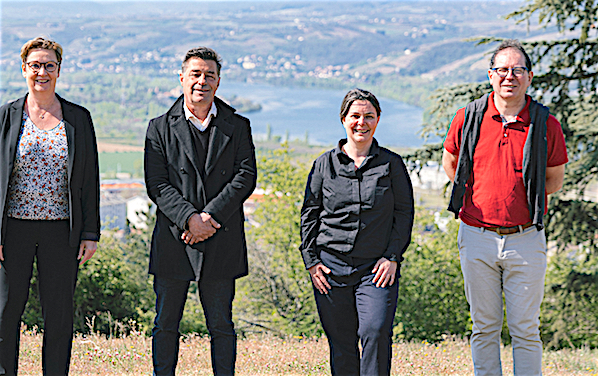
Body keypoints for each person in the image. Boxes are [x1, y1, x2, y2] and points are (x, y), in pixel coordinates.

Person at [442, 39, 568, 376]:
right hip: (476, 235)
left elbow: (554, 181)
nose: (509, 76)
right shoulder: (468, 118)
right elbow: (451, 164)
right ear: (490, 76)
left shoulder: (546, 124)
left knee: (525, 328)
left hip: (526, 238)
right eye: (502, 70)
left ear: (529, 77)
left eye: (517, 70)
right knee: (484, 326)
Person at [144, 46, 256, 376]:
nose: (201, 81)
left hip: (221, 236)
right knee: (165, 323)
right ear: (182, 78)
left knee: (221, 324)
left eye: (209, 75)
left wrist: (210, 218)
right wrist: (190, 219)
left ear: (218, 82)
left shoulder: (238, 125)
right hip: (174, 238)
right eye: (195, 74)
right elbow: (157, 183)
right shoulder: (159, 127)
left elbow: (245, 175)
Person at [0, 37, 100, 374]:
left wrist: (90, 232)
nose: (42, 72)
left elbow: (89, 179)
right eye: (35, 65)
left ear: (59, 70)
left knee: (58, 313)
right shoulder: (5, 117)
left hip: (62, 230)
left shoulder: (78, 119)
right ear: (23, 68)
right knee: (5, 310)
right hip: (12, 229)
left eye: (49, 66)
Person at [300, 88, 414, 376]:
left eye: (368, 116)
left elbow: (404, 214)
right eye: (355, 116)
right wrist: (311, 261)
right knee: (341, 342)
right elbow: (310, 214)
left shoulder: (392, 165)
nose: (361, 123)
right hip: (330, 268)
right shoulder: (324, 165)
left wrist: (392, 256)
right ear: (343, 119)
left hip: (375, 268)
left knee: (375, 332)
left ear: (377, 120)